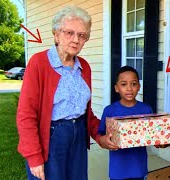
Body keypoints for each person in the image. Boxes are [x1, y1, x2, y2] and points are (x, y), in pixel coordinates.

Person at [16, 6, 117, 180]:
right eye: (69, 33)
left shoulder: (84, 67)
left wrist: (100, 137)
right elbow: (26, 114)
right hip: (51, 137)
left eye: (82, 35)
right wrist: (33, 156)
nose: (76, 40)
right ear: (56, 34)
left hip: (78, 136)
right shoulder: (39, 63)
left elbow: (86, 113)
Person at [98, 66, 154, 180]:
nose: (129, 88)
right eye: (123, 84)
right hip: (118, 170)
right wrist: (105, 141)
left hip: (139, 169)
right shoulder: (109, 111)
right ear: (116, 88)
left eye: (133, 84)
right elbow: (101, 134)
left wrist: (163, 142)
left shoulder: (146, 110)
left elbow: (153, 135)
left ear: (139, 86)